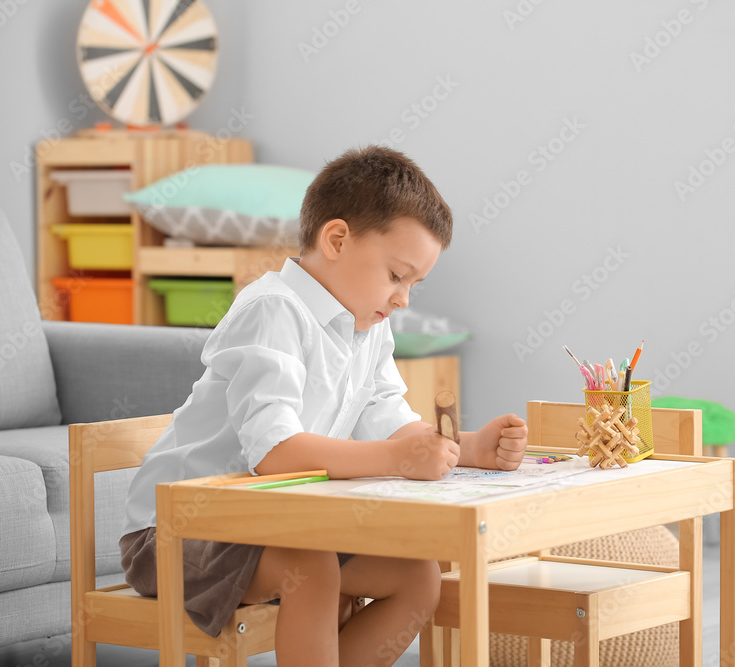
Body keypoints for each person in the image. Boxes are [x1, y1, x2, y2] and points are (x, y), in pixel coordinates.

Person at [118, 144, 529, 666]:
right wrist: (399, 459)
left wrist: (467, 448)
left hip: (277, 525)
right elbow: (276, 454)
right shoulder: (273, 310)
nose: (403, 298)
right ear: (336, 239)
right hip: (178, 533)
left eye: (414, 284)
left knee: (417, 575)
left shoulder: (368, 325)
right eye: (397, 275)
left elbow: (390, 420)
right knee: (311, 566)